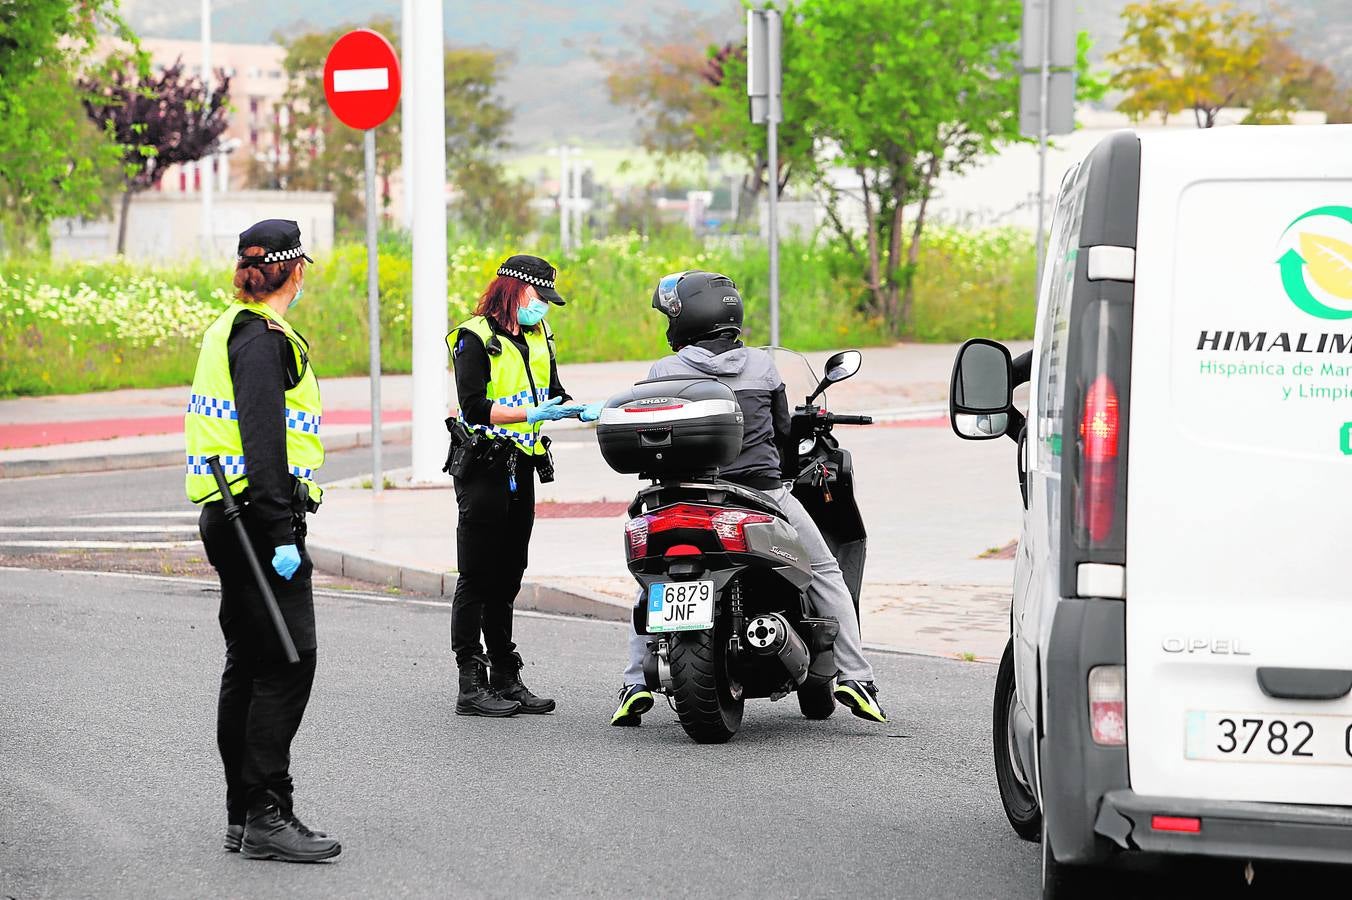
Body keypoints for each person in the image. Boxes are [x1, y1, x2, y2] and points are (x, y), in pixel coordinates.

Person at [610, 270, 887, 727]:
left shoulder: (664, 371)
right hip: (761, 492)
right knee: (824, 572)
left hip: (682, 495)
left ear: (686, 320)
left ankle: (633, 683)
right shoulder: (761, 366)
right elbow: (781, 432)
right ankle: (856, 677)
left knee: (654, 582)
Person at [187, 220, 341, 862]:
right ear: (295, 270)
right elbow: (263, 436)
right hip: (256, 519)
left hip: (233, 513)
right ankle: (267, 813)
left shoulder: (230, 326)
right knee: (288, 661)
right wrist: (282, 530)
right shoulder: (261, 338)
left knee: (250, 665)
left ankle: (243, 816)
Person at [445, 255, 601, 717]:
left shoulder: (538, 337)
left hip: (523, 465)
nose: (544, 309)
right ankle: (470, 684)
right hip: (484, 467)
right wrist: (532, 415)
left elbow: (552, 390)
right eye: (540, 299)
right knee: (477, 574)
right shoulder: (474, 338)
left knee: (510, 572)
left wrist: (576, 409)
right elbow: (473, 407)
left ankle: (505, 677)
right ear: (515, 291)